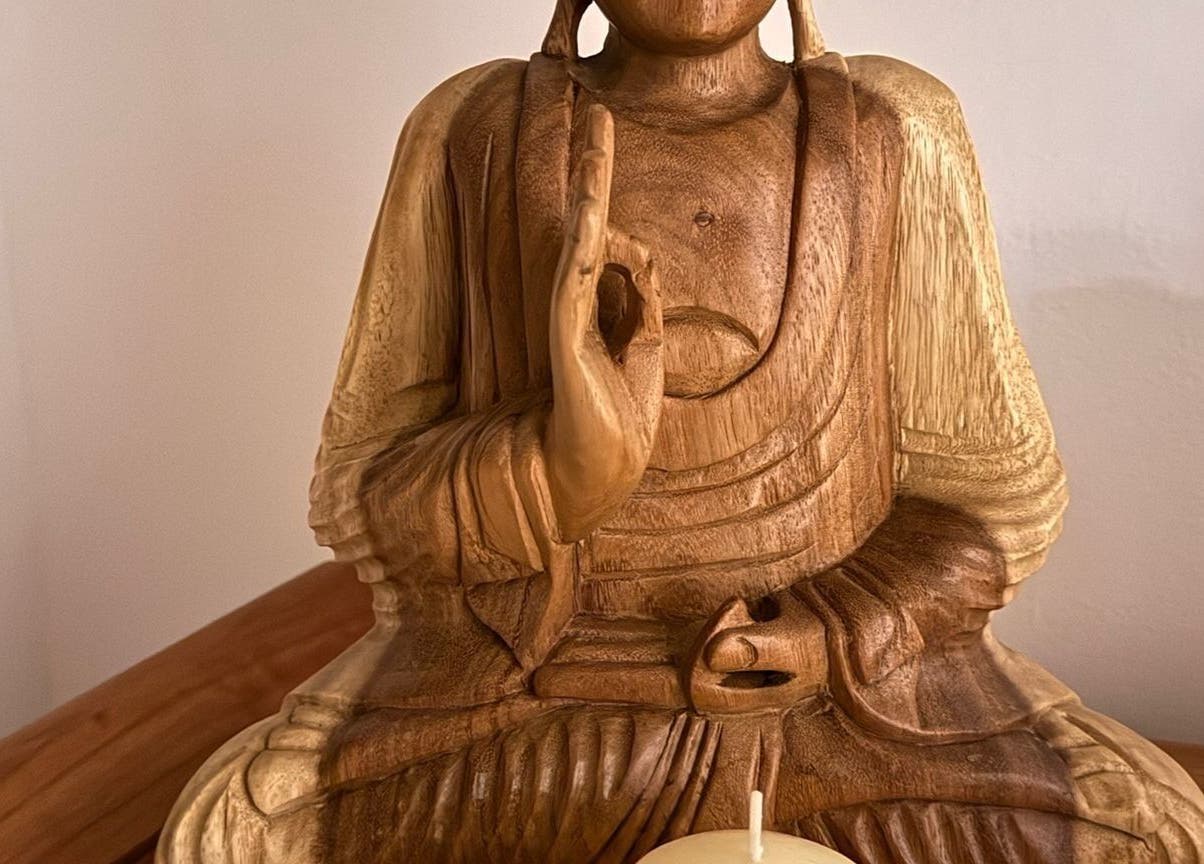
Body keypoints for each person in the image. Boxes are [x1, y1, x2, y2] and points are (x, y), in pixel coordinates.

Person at [159, 2, 1204, 861]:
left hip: (854, 707)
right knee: (241, 833)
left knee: (1140, 829)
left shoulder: (892, 128)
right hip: (541, 698)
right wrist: (556, 471)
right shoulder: (475, 128)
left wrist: (831, 631)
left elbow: (996, 495)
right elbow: (359, 490)